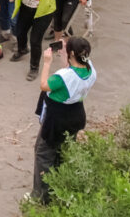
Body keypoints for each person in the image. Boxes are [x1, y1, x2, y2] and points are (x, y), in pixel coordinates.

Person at [33, 37, 96, 203]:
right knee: (62, 151)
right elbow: (74, 68)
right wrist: (66, 55)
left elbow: (44, 85)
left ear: (72, 54)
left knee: (43, 154)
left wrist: (47, 62)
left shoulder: (62, 77)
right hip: (76, 115)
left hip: (57, 119)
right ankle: (59, 186)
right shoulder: (90, 70)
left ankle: (41, 197)